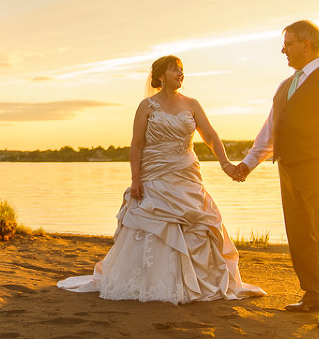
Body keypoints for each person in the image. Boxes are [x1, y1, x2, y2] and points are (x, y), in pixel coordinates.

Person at [58, 55, 265, 303]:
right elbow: (136, 144)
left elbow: (210, 136)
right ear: (160, 76)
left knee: (197, 222)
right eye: (174, 69)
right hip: (154, 174)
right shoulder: (147, 106)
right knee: (154, 223)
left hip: (186, 172)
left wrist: (226, 164)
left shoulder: (193, 105)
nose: (180, 73)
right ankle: (152, 280)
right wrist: (136, 179)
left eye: (181, 69)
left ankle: (199, 281)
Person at [234, 20, 319, 329]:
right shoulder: (284, 86)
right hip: (287, 168)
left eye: (288, 44)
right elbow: (271, 130)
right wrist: (249, 163)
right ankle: (312, 294)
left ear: (306, 44)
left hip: (318, 166)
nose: (283, 49)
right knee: (300, 235)